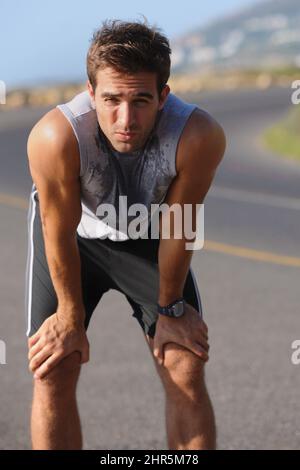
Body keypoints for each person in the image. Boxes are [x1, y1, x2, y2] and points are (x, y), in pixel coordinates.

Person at [25, 19, 226, 450]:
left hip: (150, 238)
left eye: (141, 100)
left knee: (184, 364)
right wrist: (68, 317)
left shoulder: (197, 135)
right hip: (74, 239)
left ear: (163, 97)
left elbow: (181, 224)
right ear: (91, 92)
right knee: (54, 366)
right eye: (112, 99)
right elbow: (55, 231)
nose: (126, 119)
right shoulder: (55, 136)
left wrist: (171, 309)